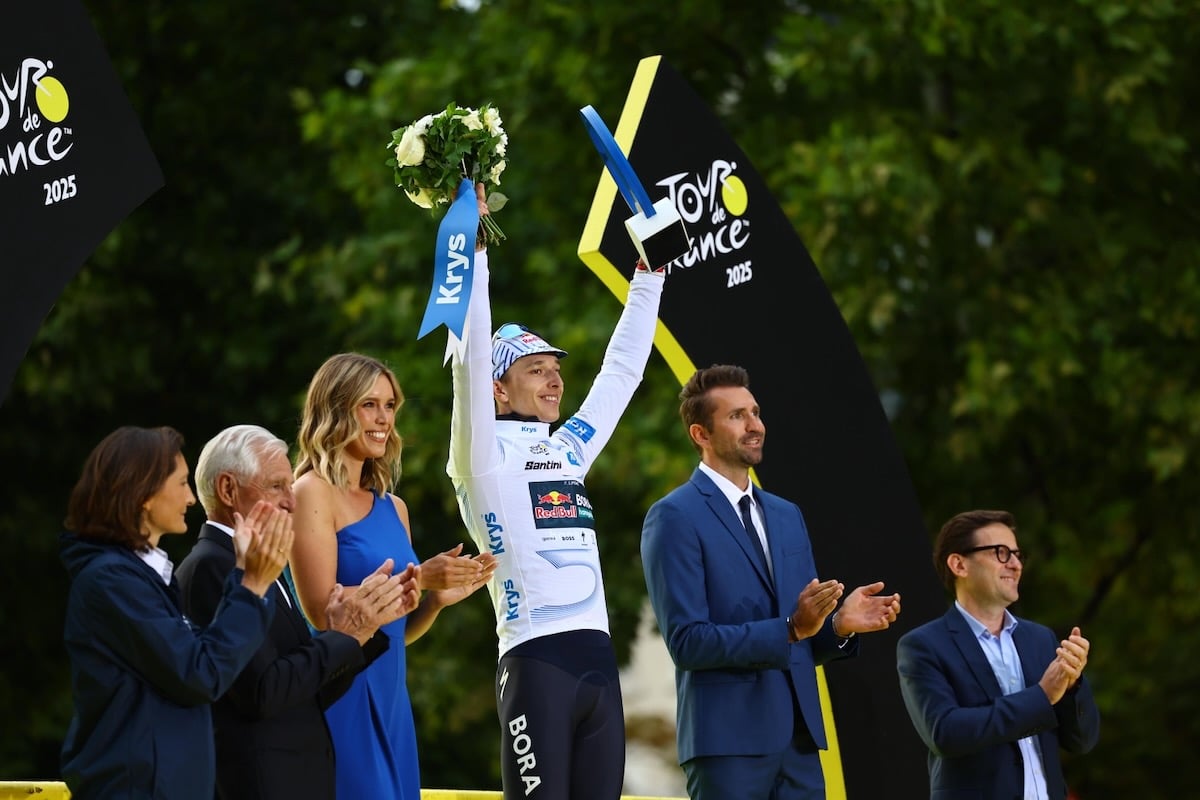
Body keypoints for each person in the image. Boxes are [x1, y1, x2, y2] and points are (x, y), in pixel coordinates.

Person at [446, 184, 669, 799]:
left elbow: (621, 374)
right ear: (498, 388)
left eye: (555, 368)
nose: (554, 380)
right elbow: (469, 362)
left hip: (598, 664)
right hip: (535, 663)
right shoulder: (481, 456)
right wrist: (475, 246)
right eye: (535, 369)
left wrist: (649, 276)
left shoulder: (567, 448)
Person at [640, 363, 903, 800]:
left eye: (755, 412)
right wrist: (792, 628)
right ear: (701, 434)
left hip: (800, 744)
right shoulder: (673, 516)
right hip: (726, 746)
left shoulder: (786, 514)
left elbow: (800, 638)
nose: (755, 425)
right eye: (736, 416)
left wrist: (837, 626)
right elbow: (687, 642)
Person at [288, 352, 496, 800]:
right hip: (342, 696)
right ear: (336, 409)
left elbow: (394, 632)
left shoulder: (394, 506)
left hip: (392, 700)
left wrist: (434, 601)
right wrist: (419, 578)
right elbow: (322, 613)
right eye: (369, 405)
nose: (384, 419)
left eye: (389, 406)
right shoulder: (309, 493)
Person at [176, 424, 421, 800]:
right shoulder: (212, 566)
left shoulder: (257, 564)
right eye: (276, 486)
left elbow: (303, 693)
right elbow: (263, 693)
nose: (291, 502)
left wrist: (358, 632)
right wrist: (343, 636)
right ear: (228, 490)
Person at [59, 425, 291, 800]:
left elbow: (200, 662)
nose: (191, 498)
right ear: (144, 494)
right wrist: (251, 584)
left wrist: (248, 581)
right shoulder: (112, 582)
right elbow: (201, 674)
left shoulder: (139, 578)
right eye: (182, 483)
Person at [895, 509, 1100, 799]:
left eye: (1017, 555)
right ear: (959, 564)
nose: (1015, 565)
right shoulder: (923, 645)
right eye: (1001, 553)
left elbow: (1082, 742)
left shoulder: (1040, 639)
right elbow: (946, 733)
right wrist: (1042, 696)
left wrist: (1073, 685)